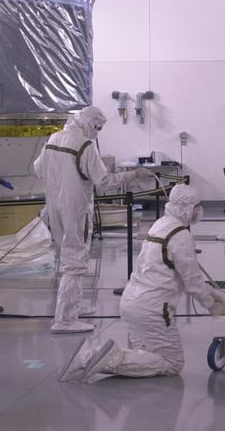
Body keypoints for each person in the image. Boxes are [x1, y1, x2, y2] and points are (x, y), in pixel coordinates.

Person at [63, 184, 225, 381]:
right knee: (172, 363)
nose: (199, 210)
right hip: (153, 310)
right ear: (186, 207)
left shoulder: (160, 224)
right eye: (196, 206)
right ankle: (100, 357)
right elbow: (192, 282)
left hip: (131, 303)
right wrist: (212, 304)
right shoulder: (181, 236)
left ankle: (88, 359)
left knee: (146, 356)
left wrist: (210, 293)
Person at [35, 106, 144, 333]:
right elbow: (104, 182)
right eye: (97, 128)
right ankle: (65, 320)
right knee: (75, 262)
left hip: (54, 209)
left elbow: (38, 169)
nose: (97, 132)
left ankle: (72, 305)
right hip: (75, 212)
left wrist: (60, 180)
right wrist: (133, 174)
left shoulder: (54, 139)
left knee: (66, 258)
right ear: (89, 123)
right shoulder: (85, 145)